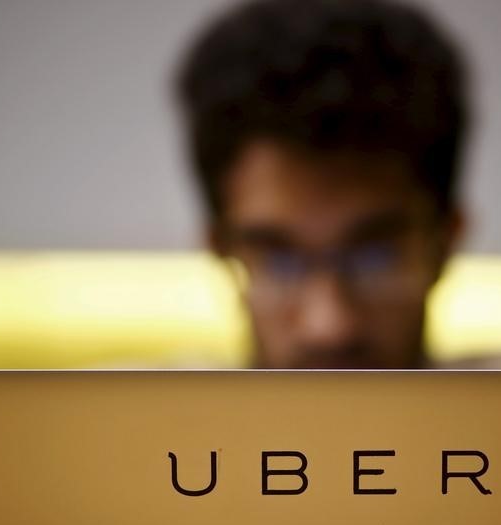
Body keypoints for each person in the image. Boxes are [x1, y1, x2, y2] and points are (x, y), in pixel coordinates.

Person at [173, 0, 473, 370]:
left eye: (375, 259)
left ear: (447, 242)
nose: (329, 326)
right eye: (279, 262)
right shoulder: (117, 420)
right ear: (217, 247)